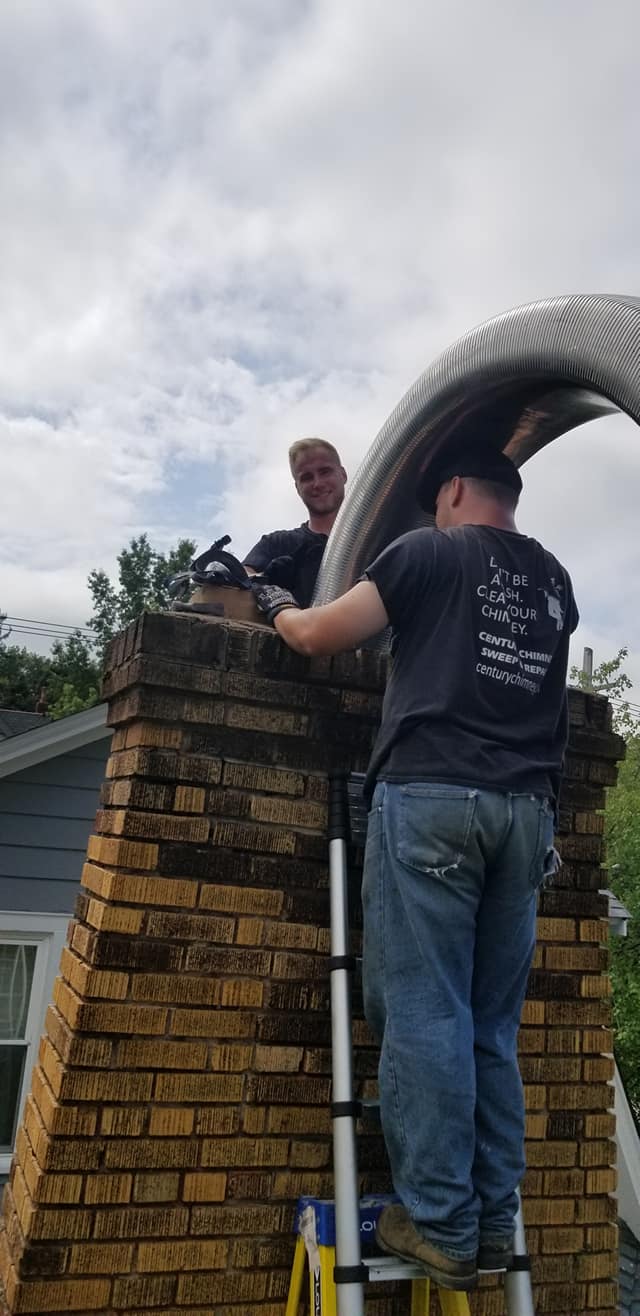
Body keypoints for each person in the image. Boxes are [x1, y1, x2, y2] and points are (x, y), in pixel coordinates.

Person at [250, 444, 578, 1292]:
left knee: (425, 1011)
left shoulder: (429, 551)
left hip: (435, 797)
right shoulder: (554, 580)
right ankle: (492, 1217)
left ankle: (440, 1224)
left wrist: (278, 604)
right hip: (527, 813)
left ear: (456, 490)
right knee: (486, 1025)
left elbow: (322, 638)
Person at [243, 438, 347, 607]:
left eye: (325, 471)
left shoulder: (376, 539)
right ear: (298, 488)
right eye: (306, 477)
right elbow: (237, 579)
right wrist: (264, 580)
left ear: (343, 475)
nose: (318, 483)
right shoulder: (276, 543)